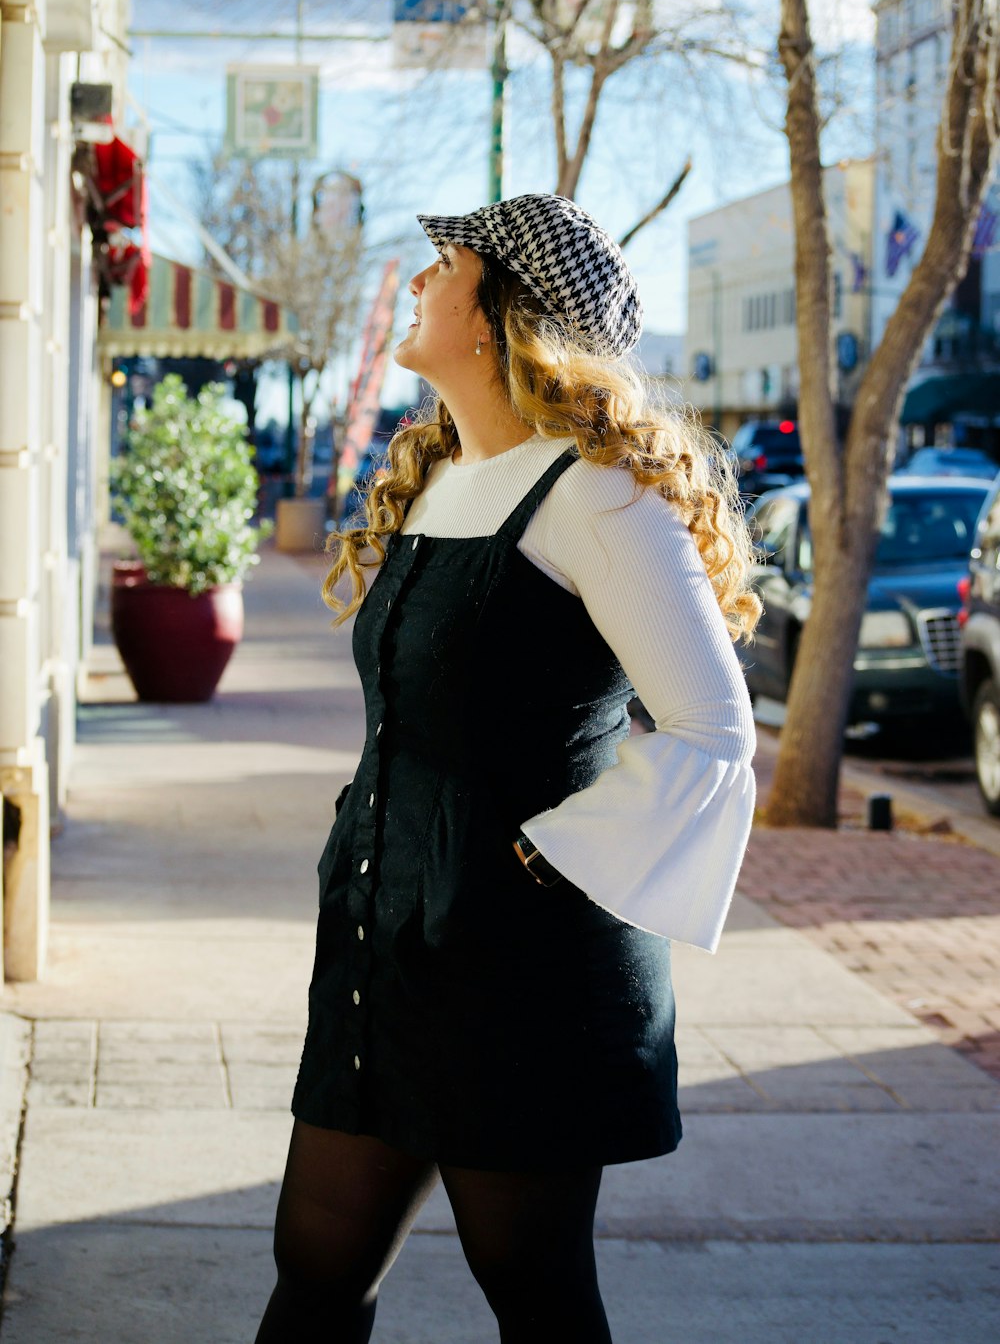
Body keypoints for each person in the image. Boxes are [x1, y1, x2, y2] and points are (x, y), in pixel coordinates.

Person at [254, 193, 761, 1344]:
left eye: (445, 264)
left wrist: (535, 861)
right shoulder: (436, 479)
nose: (420, 280)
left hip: (521, 971)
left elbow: (710, 728)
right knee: (314, 1266)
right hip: (385, 950)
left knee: (532, 1292)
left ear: (496, 317)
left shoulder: (597, 493)